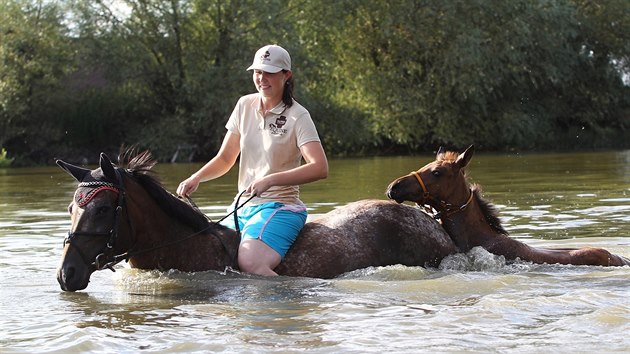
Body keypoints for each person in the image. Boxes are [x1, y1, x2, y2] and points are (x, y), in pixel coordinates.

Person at [177, 44, 328, 276]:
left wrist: (270, 180)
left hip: (282, 207)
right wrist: (196, 178)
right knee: (207, 256)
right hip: (242, 207)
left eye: (269, 72)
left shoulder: (299, 116)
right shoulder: (244, 105)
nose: (261, 78)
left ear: (286, 75)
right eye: (258, 72)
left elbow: (320, 168)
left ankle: (292, 305)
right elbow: (226, 158)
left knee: (250, 263)